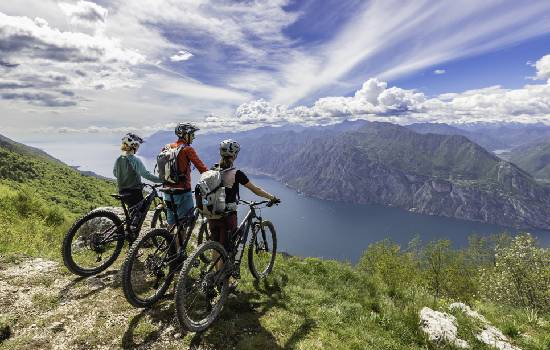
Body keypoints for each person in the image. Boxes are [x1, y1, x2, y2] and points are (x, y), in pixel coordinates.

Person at [208, 139, 280, 255]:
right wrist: (272, 197)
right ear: (235, 155)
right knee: (225, 248)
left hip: (212, 213)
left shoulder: (213, 169)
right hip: (228, 215)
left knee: (215, 246)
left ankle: (215, 272)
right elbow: (256, 190)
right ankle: (221, 273)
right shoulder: (237, 173)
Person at [113, 133, 162, 231]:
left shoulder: (119, 159)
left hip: (122, 191)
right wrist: (162, 179)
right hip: (134, 192)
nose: (138, 148)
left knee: (132, 214)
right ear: (133, 145)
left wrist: (126, 176)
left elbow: (115, 173)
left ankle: (129, 234)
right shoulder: (134, 159)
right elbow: (145, 174)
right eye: (138, 145)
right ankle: (134, 236)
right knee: (141, 212)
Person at [165, 122, 208, 226]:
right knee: (186, 223)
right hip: (182, 192)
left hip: (167, 191)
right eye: (192, 134)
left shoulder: (167, 147)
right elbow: (202, 169)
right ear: (185, 135)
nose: (194, 137)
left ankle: (169, 239)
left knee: (171, 223)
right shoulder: (187, 149)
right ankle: (181, 242)